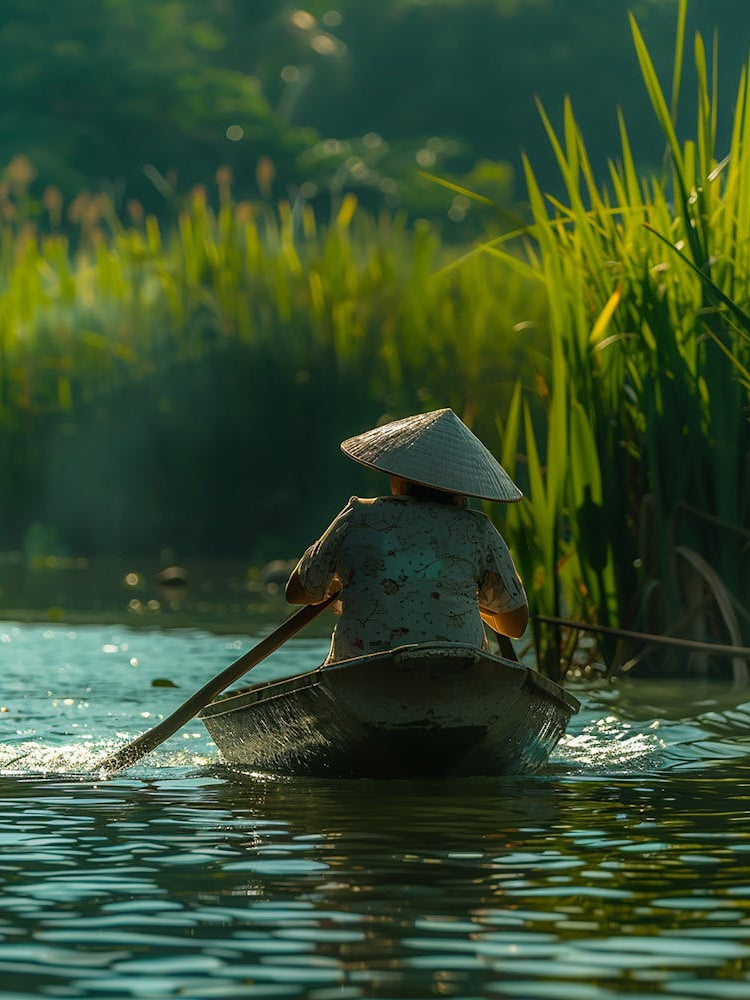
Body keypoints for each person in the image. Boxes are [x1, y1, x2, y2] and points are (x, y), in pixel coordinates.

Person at [285, 407, 529, 663]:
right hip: (456, 670)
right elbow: (515, 625)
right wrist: (469, 597)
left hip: (361, 669)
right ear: (462, 485)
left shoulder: (358, 514)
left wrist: (338, 584)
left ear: (402, 476)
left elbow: (298, 592)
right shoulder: (478, 529)